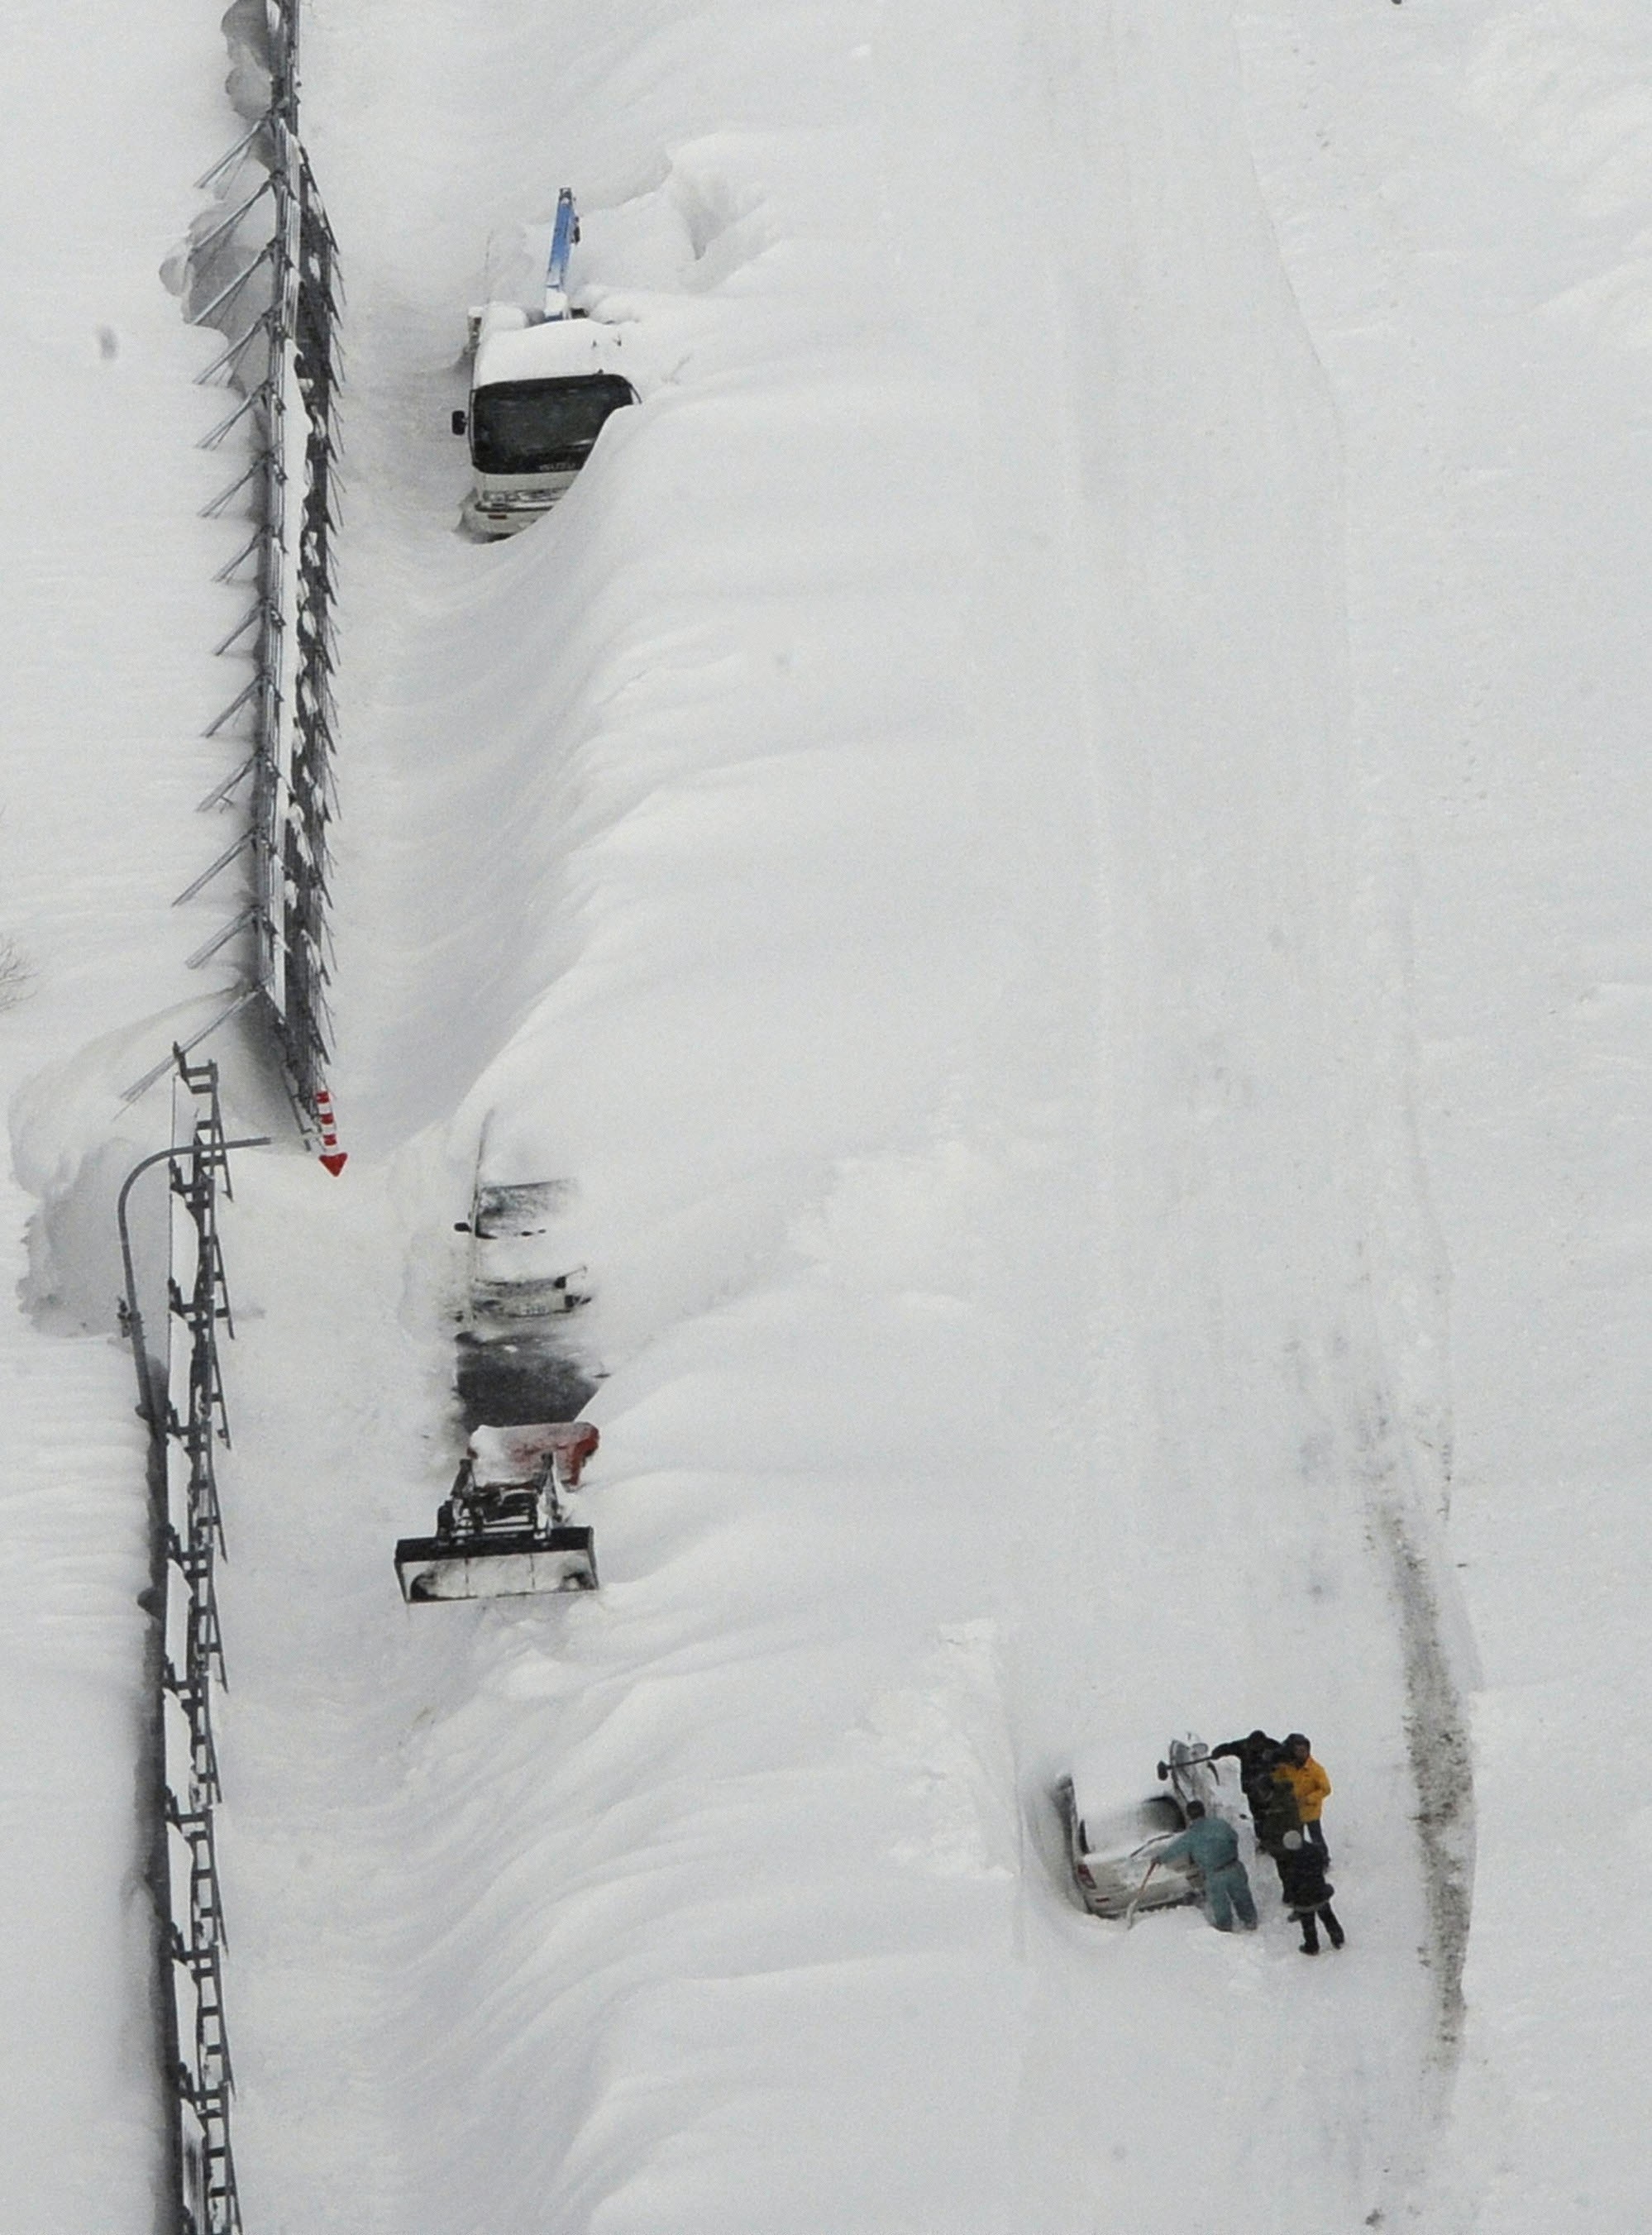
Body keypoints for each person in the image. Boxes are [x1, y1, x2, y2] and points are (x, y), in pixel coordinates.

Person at [1153, 1802, 1258, 1932]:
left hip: (1214, 1874)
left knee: (1220, 1903)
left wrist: (1160, 1859)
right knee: (1242, 1895)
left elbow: (1175, 1850)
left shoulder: (1191, 1835)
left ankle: (1225, 1926)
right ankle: (1250, 1920)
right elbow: (1234, 1837)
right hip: (1234, 1866)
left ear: (1189, 1816)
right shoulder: (1220, 1824)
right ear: (1204, 1811)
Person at [1278, 1829, 1344, 1953]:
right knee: (1328, 1916)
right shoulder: (1313, 1850)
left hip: (1304, 1899)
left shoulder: (1290, 1862)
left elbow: (1289, 1883)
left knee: (1308, 1924)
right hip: (1320, 1891)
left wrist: (1289, 1899)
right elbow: (1321, 1863)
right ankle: (1338, 1939)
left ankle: (1312, 1946)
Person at [1209, 1731, 1284, 1831]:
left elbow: (1286, 1753)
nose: (1256, 1747)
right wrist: (1218, 1752)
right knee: (1257, 1816)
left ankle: (1272, 1835)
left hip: (1269, 1789)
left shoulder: (1272, 1747)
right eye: (1254, 1745)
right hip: (1251, 1788)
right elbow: (1228, 1748)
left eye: (1259, 1745)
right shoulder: (1244, 1745)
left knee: (1273, 1815)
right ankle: (1261, 1838)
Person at [1275, 1733, 1332, 1856]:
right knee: (1296, 1839)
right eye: (1298, 1751)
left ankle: (1324, 1859)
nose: (1302, 1754)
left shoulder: (1316, 1770)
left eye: (1304, 1750)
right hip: (1293, 1811)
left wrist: (1308, 1799)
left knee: (1316, 1838)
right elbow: (1277, 1778)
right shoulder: (1287, 1767)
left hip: (1311, 1811)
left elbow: (1326, 1789)